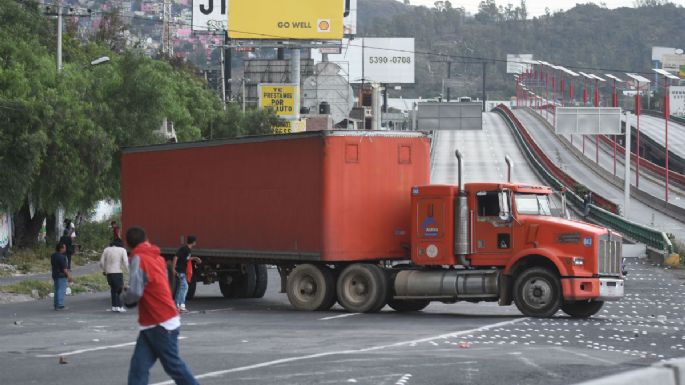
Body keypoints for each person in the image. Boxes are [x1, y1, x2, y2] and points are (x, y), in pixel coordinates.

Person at [121, 227, 199, 385]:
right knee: (139, 368)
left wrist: (124, 297)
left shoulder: (139, 258)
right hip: (154, 323)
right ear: (146, 239)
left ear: (128, 245)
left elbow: (135, 292)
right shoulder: (157, 258)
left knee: (173, 367)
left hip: (160, 323)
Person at [100, 238, 129, 312]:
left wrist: (104, 270)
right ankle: (120, 306)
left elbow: (101, 262)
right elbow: (126, 262)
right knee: (119, 290)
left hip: (109, 273)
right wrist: (129, 271)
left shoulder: (106, 250)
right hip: (117, 272)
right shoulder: (122, 250)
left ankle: (114, 306)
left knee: (113, 290)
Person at [174, 236, 201, 313]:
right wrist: (173, 269)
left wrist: (195, 258)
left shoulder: (188, 250)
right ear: (193, 242)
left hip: (181, 271)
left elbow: (186, 258)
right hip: (180, 271)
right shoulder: (185, 249)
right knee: (185, 287)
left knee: (180, 288)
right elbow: (176, 257)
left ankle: (177, 306)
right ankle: (181, 306)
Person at [51, 243, 73, 310]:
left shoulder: (53, 255)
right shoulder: (62, 257)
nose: (65, 249)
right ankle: (60, 305)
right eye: (64, 247)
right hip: (61, 275)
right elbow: (64, 268)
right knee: (61, 290)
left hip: (55, 274)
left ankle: (56, 305)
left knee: (57, 290)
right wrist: (69, 276)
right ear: (61, 248)